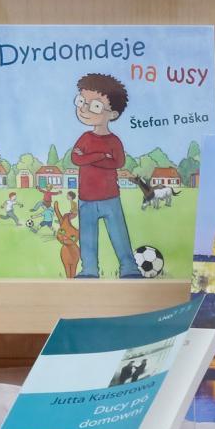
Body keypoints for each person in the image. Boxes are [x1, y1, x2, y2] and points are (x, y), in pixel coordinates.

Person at [71, 73, 141, 278]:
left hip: (111, 198)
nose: (84, 109)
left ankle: (129, 268)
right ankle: (89, 270)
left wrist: (90, 158)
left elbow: (117, 163)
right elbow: (76, 158)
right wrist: (100, 156)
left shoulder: (114, 141)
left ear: (113, 114)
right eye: (81, 101)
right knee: (87, 238)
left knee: (119, 236)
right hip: (86, 199)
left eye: (95, 106)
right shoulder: (85, 138)